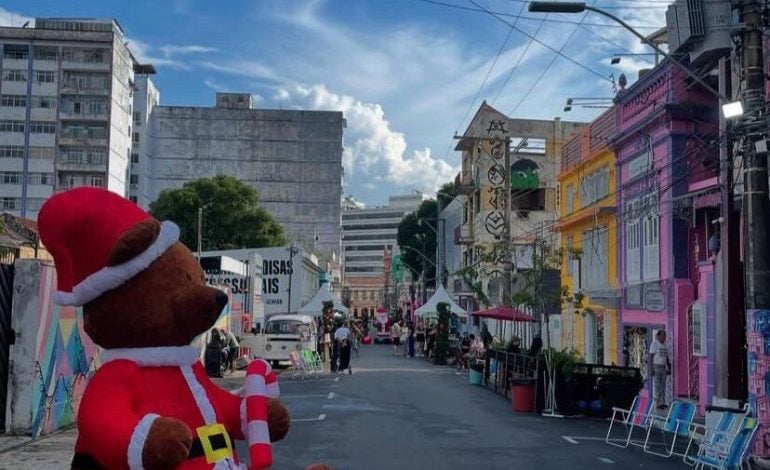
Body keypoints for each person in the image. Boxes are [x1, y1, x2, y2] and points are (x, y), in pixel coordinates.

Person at [649, 329, 671, 410]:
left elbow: (667, 357)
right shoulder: (654, 344)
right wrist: (651, 368)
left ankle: (662, 402)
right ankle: (657, 403)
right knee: (657, 385)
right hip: (656, 366)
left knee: (663, 385)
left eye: (665, 336)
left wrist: (669, 367)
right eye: (663, 335)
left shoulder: (665, 344)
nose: (664, 337)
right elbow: (650, 356)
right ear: (658, 336)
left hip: (663, 366)